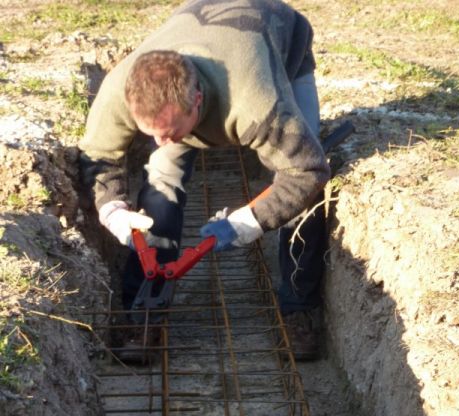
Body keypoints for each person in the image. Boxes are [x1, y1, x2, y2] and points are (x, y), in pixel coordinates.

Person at [79, 0, 330, 361]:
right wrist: (113, 208)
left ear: (196, 100)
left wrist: (249, 221)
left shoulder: (256, 102)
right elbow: (97, 156)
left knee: (299, 192)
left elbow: (307, 171)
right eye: (149, 132)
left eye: (169, 131)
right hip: (201, 24)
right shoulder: (121, 90)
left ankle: (298, 308)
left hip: (280, 39)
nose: (158, 141)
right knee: (162, 175)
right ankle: (145, 311)